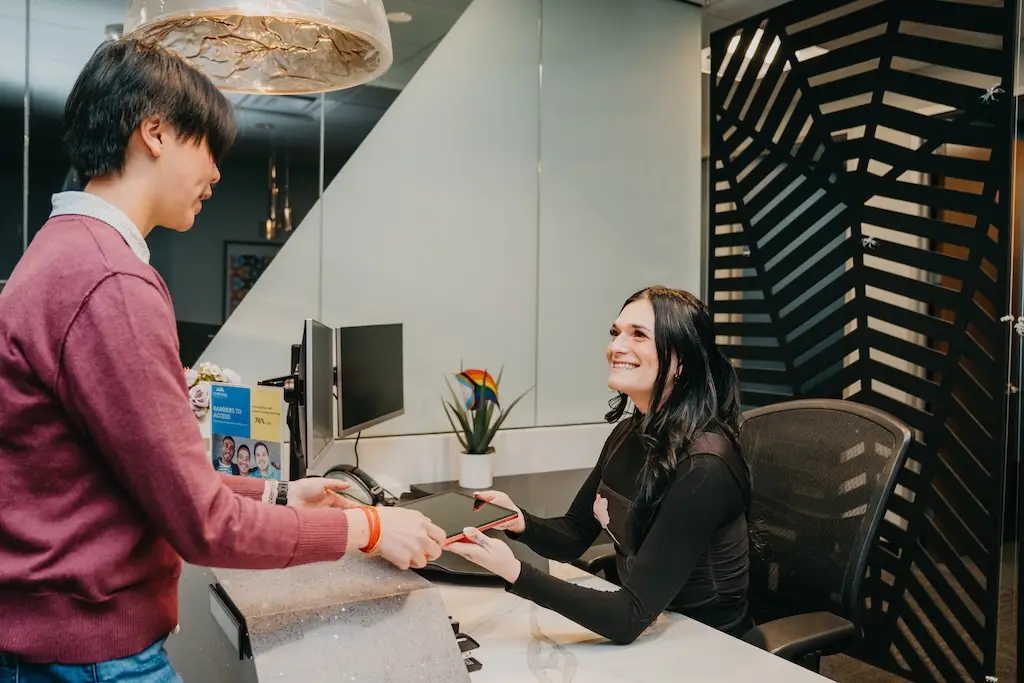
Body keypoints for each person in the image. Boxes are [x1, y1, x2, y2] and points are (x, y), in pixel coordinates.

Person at [0, 38, 445, 680]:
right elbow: (203, 523)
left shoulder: (65, 254)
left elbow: (151, 473)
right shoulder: (109, 281)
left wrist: (280, 493)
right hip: (88, 656)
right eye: (207, 147)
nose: (215, 173)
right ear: (155, 132)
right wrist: (369, 530)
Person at [447, 286, 754, 644]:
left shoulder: (704, 466)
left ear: (681, 361)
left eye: (638, 335)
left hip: (708, 644)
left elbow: (628, 617)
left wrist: (514, 571)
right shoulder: (629, 433)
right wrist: (519, 521)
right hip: (653, 629)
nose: (616, 346)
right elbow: (574, 534)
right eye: (615, 333)